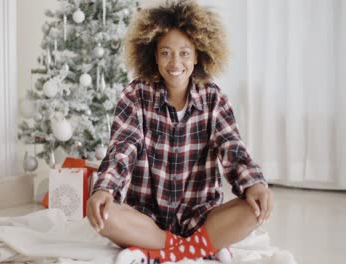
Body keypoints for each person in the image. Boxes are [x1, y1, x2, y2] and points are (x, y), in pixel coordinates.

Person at [86, 1, 273, 263]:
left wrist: (254, 183)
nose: (175, 62)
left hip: (201, 218)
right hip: (146, 218)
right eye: (166, 53)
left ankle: (155, 250)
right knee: (104, 216)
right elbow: (122, 147)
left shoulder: (214, 99)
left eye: (185, 53)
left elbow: (232, 147)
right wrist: (104, 189)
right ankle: (197, 248)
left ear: (198, 55)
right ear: (153, 55)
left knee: (254, 211)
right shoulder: (136, 95)